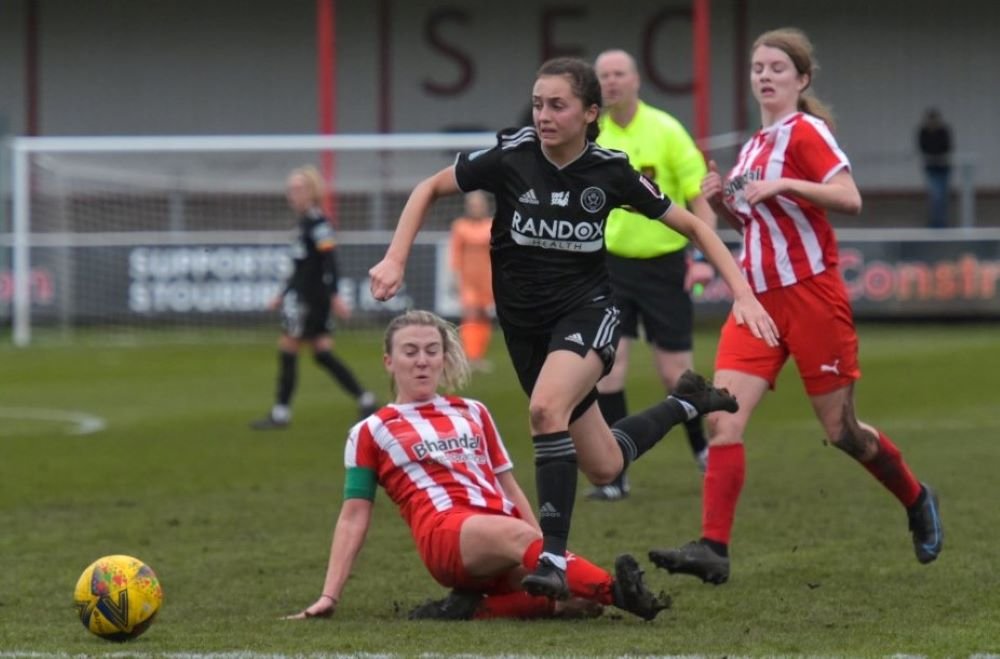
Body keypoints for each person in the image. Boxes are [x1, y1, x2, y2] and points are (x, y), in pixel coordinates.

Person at [369, 57, 779, 600]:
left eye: (557, 105)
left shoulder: (610, 170)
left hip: (587, 312)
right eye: (538, 103)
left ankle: (553, 558)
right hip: (525, 328)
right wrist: (395, 259)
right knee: (606, 465)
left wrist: (745, 294)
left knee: (544, 410)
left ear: (589, 113)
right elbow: (427, 189)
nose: (543, 115)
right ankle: (687, 401)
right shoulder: (511, 155)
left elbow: (693, 226)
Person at [649, 28, 944, 586]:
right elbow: (760, 224)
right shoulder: (754, 146)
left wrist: (785, 184)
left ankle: (915, 496)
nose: (764, 75)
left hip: (811, 297)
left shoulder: (805, 132)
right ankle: (714, 548)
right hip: (756, 302)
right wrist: (723, 203)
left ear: (801, 79)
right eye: (758, 66)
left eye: (777, 68)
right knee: (722, 420)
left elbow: (849, 197)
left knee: (843, 434)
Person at [284, 310, 669, 622]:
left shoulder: (473, 411)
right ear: (389, 361)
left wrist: (546, 550)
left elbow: (508, 485)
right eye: (410, 351)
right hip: (446, 534)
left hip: (500, 528)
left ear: (444, 357)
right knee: (552, 562)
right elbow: (353, 516)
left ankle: (471, 610)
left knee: (579, 602)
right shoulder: (370, 430)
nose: (422, 361)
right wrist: (329, 595)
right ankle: (622, 593)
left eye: (432, 350)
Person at [586, 49, 717, 502]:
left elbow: (700, 198)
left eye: (619, 73)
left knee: (674, 373)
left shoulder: (666, 130)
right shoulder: (591, 134)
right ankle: (616, 473)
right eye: (603, 75)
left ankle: (703, 450)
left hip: (666, 265)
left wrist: (702, 256)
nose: (612, 82)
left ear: (637, 78)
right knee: (608, 369)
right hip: (609, 268)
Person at [251, 166, 378, 429]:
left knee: (288, 348)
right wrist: (282, 294)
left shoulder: (319, 223)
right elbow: (300, 266)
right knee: (321, 352)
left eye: (298, 189)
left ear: (312, 191)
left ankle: (280, 414)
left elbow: (329, 260)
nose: (292, 194)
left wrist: (334, 295)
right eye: (290, 189)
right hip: (302, 296)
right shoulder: (304, 223)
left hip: (311, 298)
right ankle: (366, 399)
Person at [449, 191, 495, 373]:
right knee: (471, 314)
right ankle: (470, 356)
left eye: (479, 204)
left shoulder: (491, 225)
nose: (476, 207)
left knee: (484, 315)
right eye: (473, 204)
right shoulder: (460, 227)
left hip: (488, 277)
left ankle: (479, 356)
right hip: (468, 278)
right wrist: (454, 275)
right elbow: (455, 253)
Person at [916, 108, 953, 229]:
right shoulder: (924, 132)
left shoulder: (943, 131)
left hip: (943, 167)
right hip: (931, 167)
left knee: (942, 196)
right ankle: (935, 222)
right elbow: (923, 147)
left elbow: (947, 147)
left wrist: (937, 154)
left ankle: (941, 222)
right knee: (935, 195)